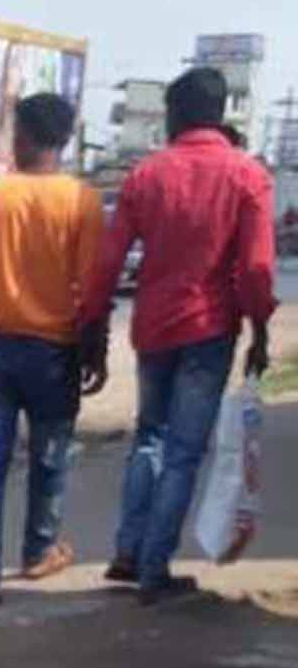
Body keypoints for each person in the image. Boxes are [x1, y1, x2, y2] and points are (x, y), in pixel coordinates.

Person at [79, 67, 277, 607]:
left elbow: (108, 260)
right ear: (221, 114)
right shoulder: (247, 175)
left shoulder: (147, 175)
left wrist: (93, 323)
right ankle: (151, 568)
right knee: (184, 452)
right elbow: (257, 270)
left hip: (154, 330)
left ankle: (128, 550)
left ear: (175, 114)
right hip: (210, 330)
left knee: (150, 438)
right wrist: (260, 329)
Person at [0, 93, 106, 611]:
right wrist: (94, 350)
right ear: (61, 141)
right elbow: (92, 287)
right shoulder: (81, 201)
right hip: (55, 353)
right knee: (50, 458)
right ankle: (39, 550)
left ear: (23, 137)